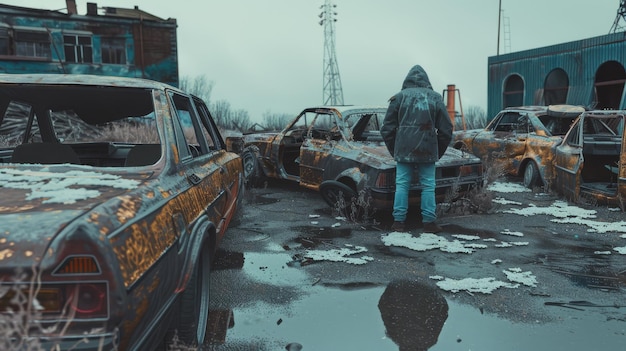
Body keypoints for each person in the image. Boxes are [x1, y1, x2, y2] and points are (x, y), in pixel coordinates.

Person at [380, 65, 453, 233]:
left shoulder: (398, 98)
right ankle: (429, 222)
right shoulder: (435, 98)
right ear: (427, 81)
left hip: (404, 150)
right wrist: (438, 151)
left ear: (407, 80)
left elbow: (386, 129)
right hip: (427, 149)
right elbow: (446, 130)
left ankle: (398, 222)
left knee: (402, 185)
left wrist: (395, 150)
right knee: (428, 186)